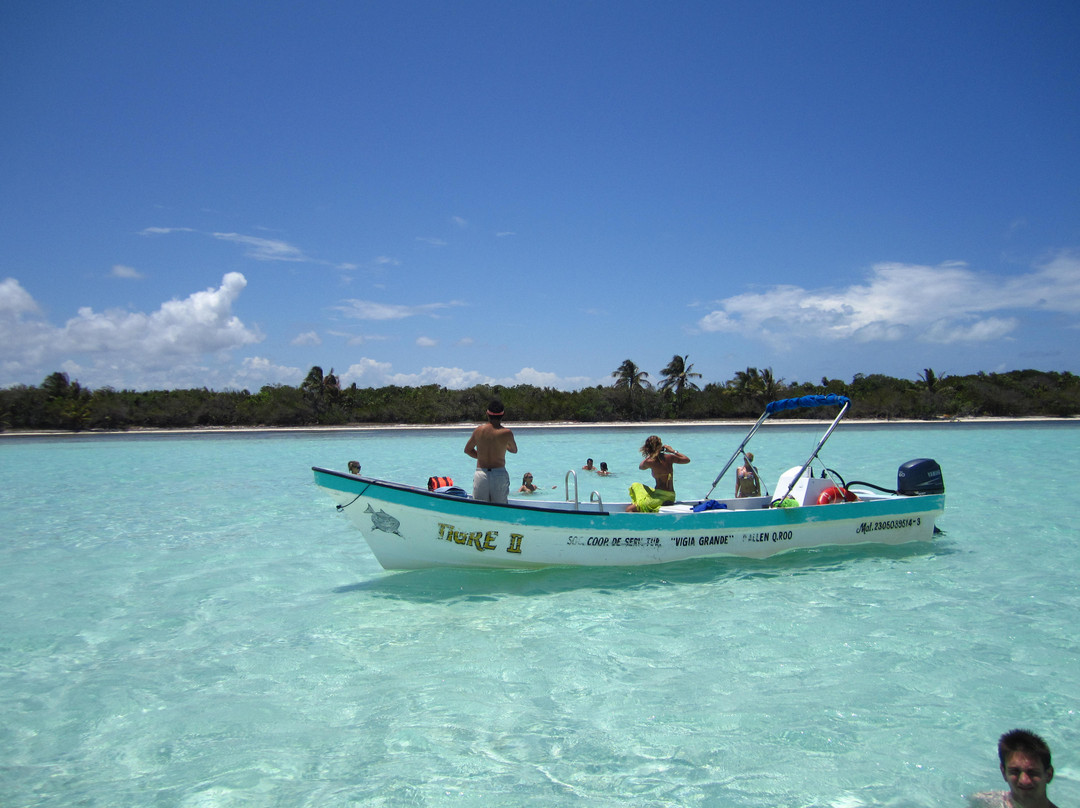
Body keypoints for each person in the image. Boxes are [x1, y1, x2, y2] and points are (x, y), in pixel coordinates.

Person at [970, 729, 1059, 808]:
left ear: (1049, 775)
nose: (1024, 781)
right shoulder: (984, 803)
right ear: (1004, 772)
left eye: (1032, 772)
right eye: (1015, 771)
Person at [464, 399, 518, 503]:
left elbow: (467, 450)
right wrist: (503, 446)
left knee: (480, 508)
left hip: (481, 473)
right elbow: (514, 450)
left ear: (487, 414)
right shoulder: (507, 433)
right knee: (500, 508)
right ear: (503, 415)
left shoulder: (479, 431)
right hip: (499, 474)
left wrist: (481, 456)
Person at [626, 436, 689, 512]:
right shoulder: (669, 457)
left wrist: (650, 455)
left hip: (661, 498)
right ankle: (644, 505)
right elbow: (686, 460)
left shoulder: (649, 461)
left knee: (629, 509)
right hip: (670, 495)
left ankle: (643, 508)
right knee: (635, 485)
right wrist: (673, 451)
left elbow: (641, 467)